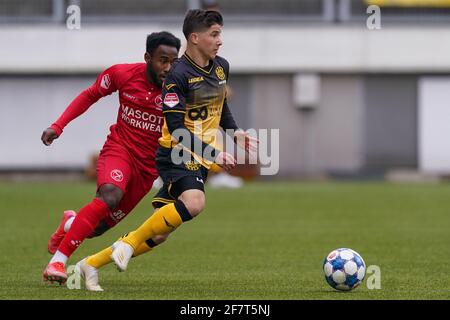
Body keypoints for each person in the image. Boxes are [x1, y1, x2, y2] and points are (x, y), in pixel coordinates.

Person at [76, 9, 257, 290]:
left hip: (200, 159)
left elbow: (219, 106)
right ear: (195, 38)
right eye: (215, 34)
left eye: (220, 33)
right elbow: (176, 130)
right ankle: (127, 243)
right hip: (175, 153)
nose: (220, 40)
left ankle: (91, 263)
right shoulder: (177, 76)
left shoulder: (221, 66)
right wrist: (214, 153)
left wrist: (236, 134)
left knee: (160, 233)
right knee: (195, 203)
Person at [41, 31, 181, 286]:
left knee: (97, 228)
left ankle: (70, 223)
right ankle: (58, 261)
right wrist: (58, 125)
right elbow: (90, 94)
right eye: (163, 60)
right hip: (120, 150)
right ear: (148, 58)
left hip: (147, 169)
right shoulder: (122, 74)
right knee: (109, 196)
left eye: (174, 62)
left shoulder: (179, 90)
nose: (168, 68)